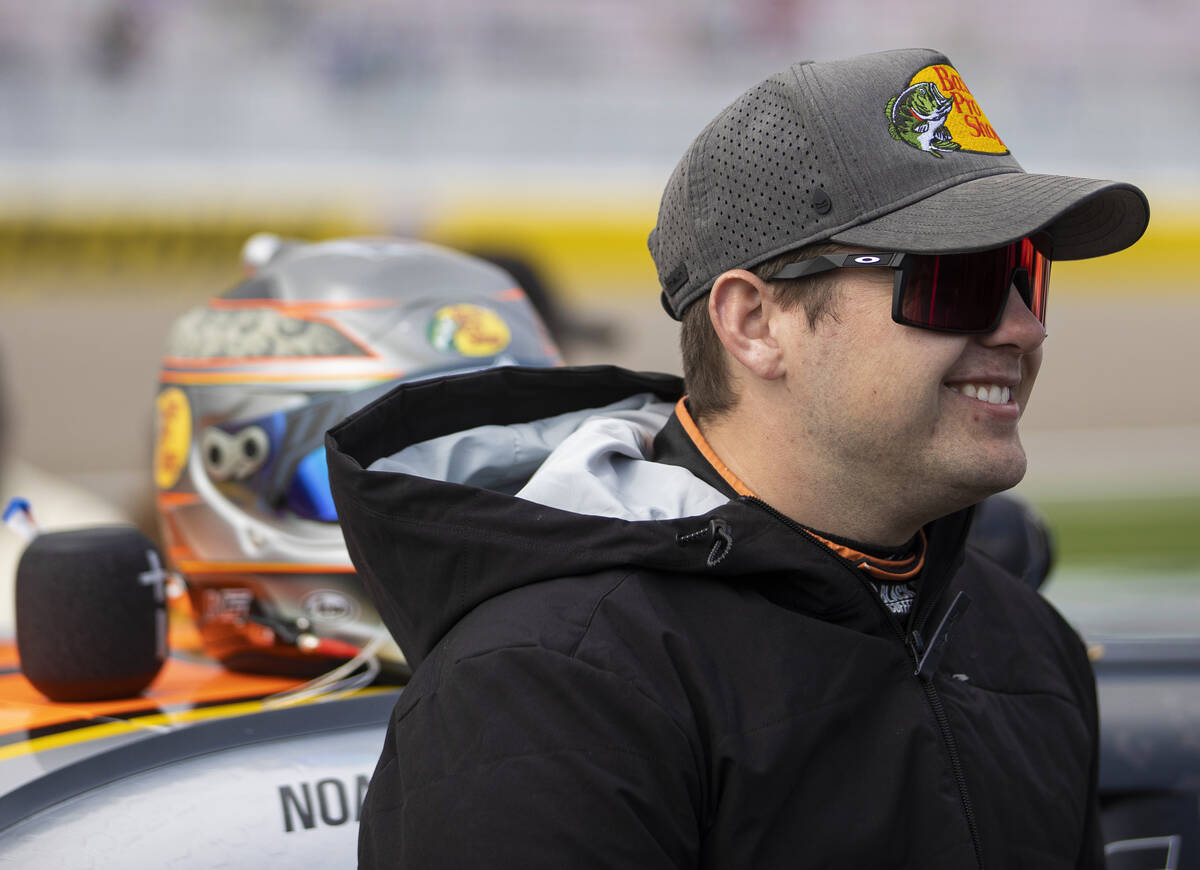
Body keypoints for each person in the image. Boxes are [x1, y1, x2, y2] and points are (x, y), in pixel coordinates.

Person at [327, 48, 1149, 868]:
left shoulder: (1025, 642)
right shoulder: (546, 686)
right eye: (958, 280)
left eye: (1026, 275)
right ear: (755, 323)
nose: (1023, 328)